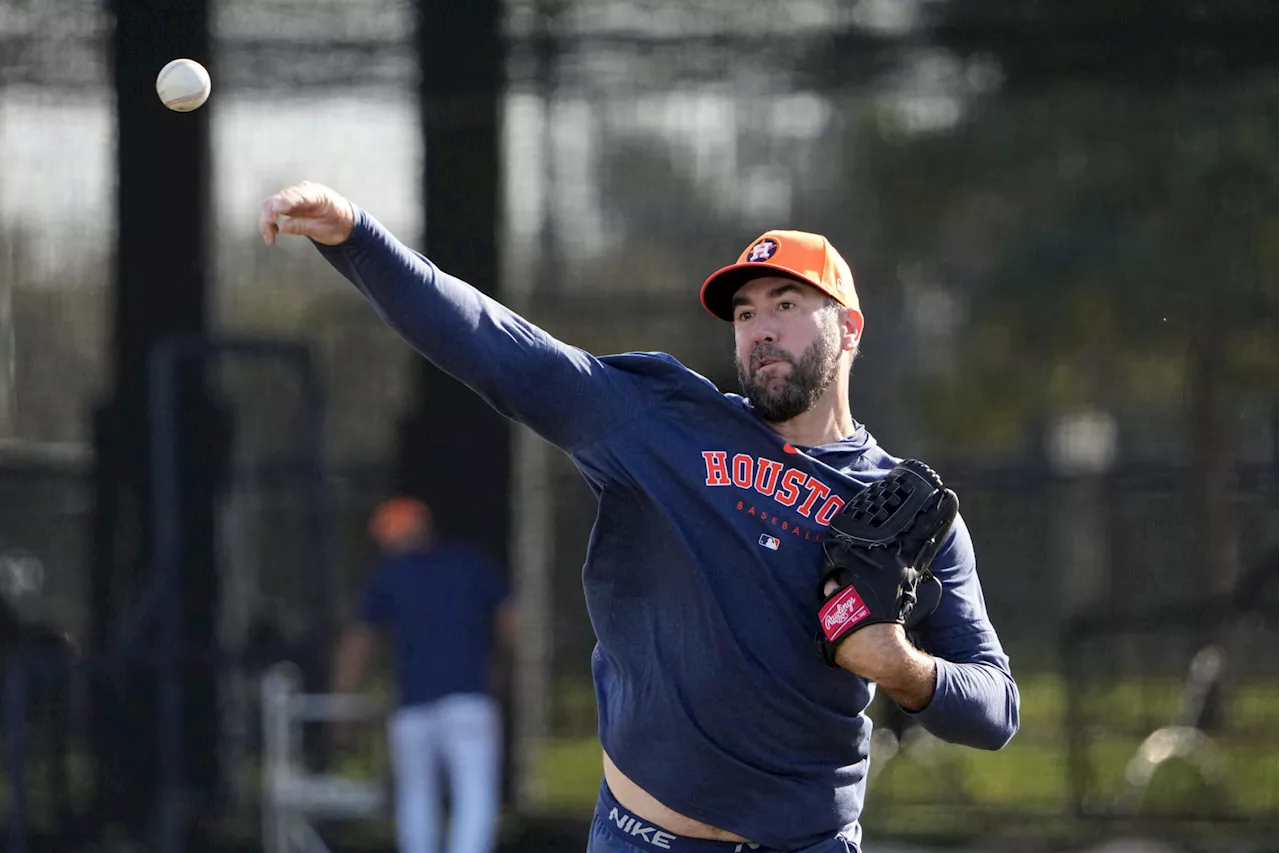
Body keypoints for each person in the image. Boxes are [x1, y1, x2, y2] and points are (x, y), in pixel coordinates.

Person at [262, 181, 1020, 853]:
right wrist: (357, 235)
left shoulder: (905, 510)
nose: (759, 329)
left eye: (787, 305)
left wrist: (905, 670)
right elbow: (501, 349)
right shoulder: (661, 424)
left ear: (848, 328)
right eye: (745, 311)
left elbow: (996, 707)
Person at [331, 495, 516, 853]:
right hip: (468, 699)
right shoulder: (471, 564)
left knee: (416, 799)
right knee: (475, 796)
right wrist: (503, 668)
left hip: (412, 706)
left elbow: (358, 643)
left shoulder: (388, 576)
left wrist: (344, 703)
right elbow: (511, 620)